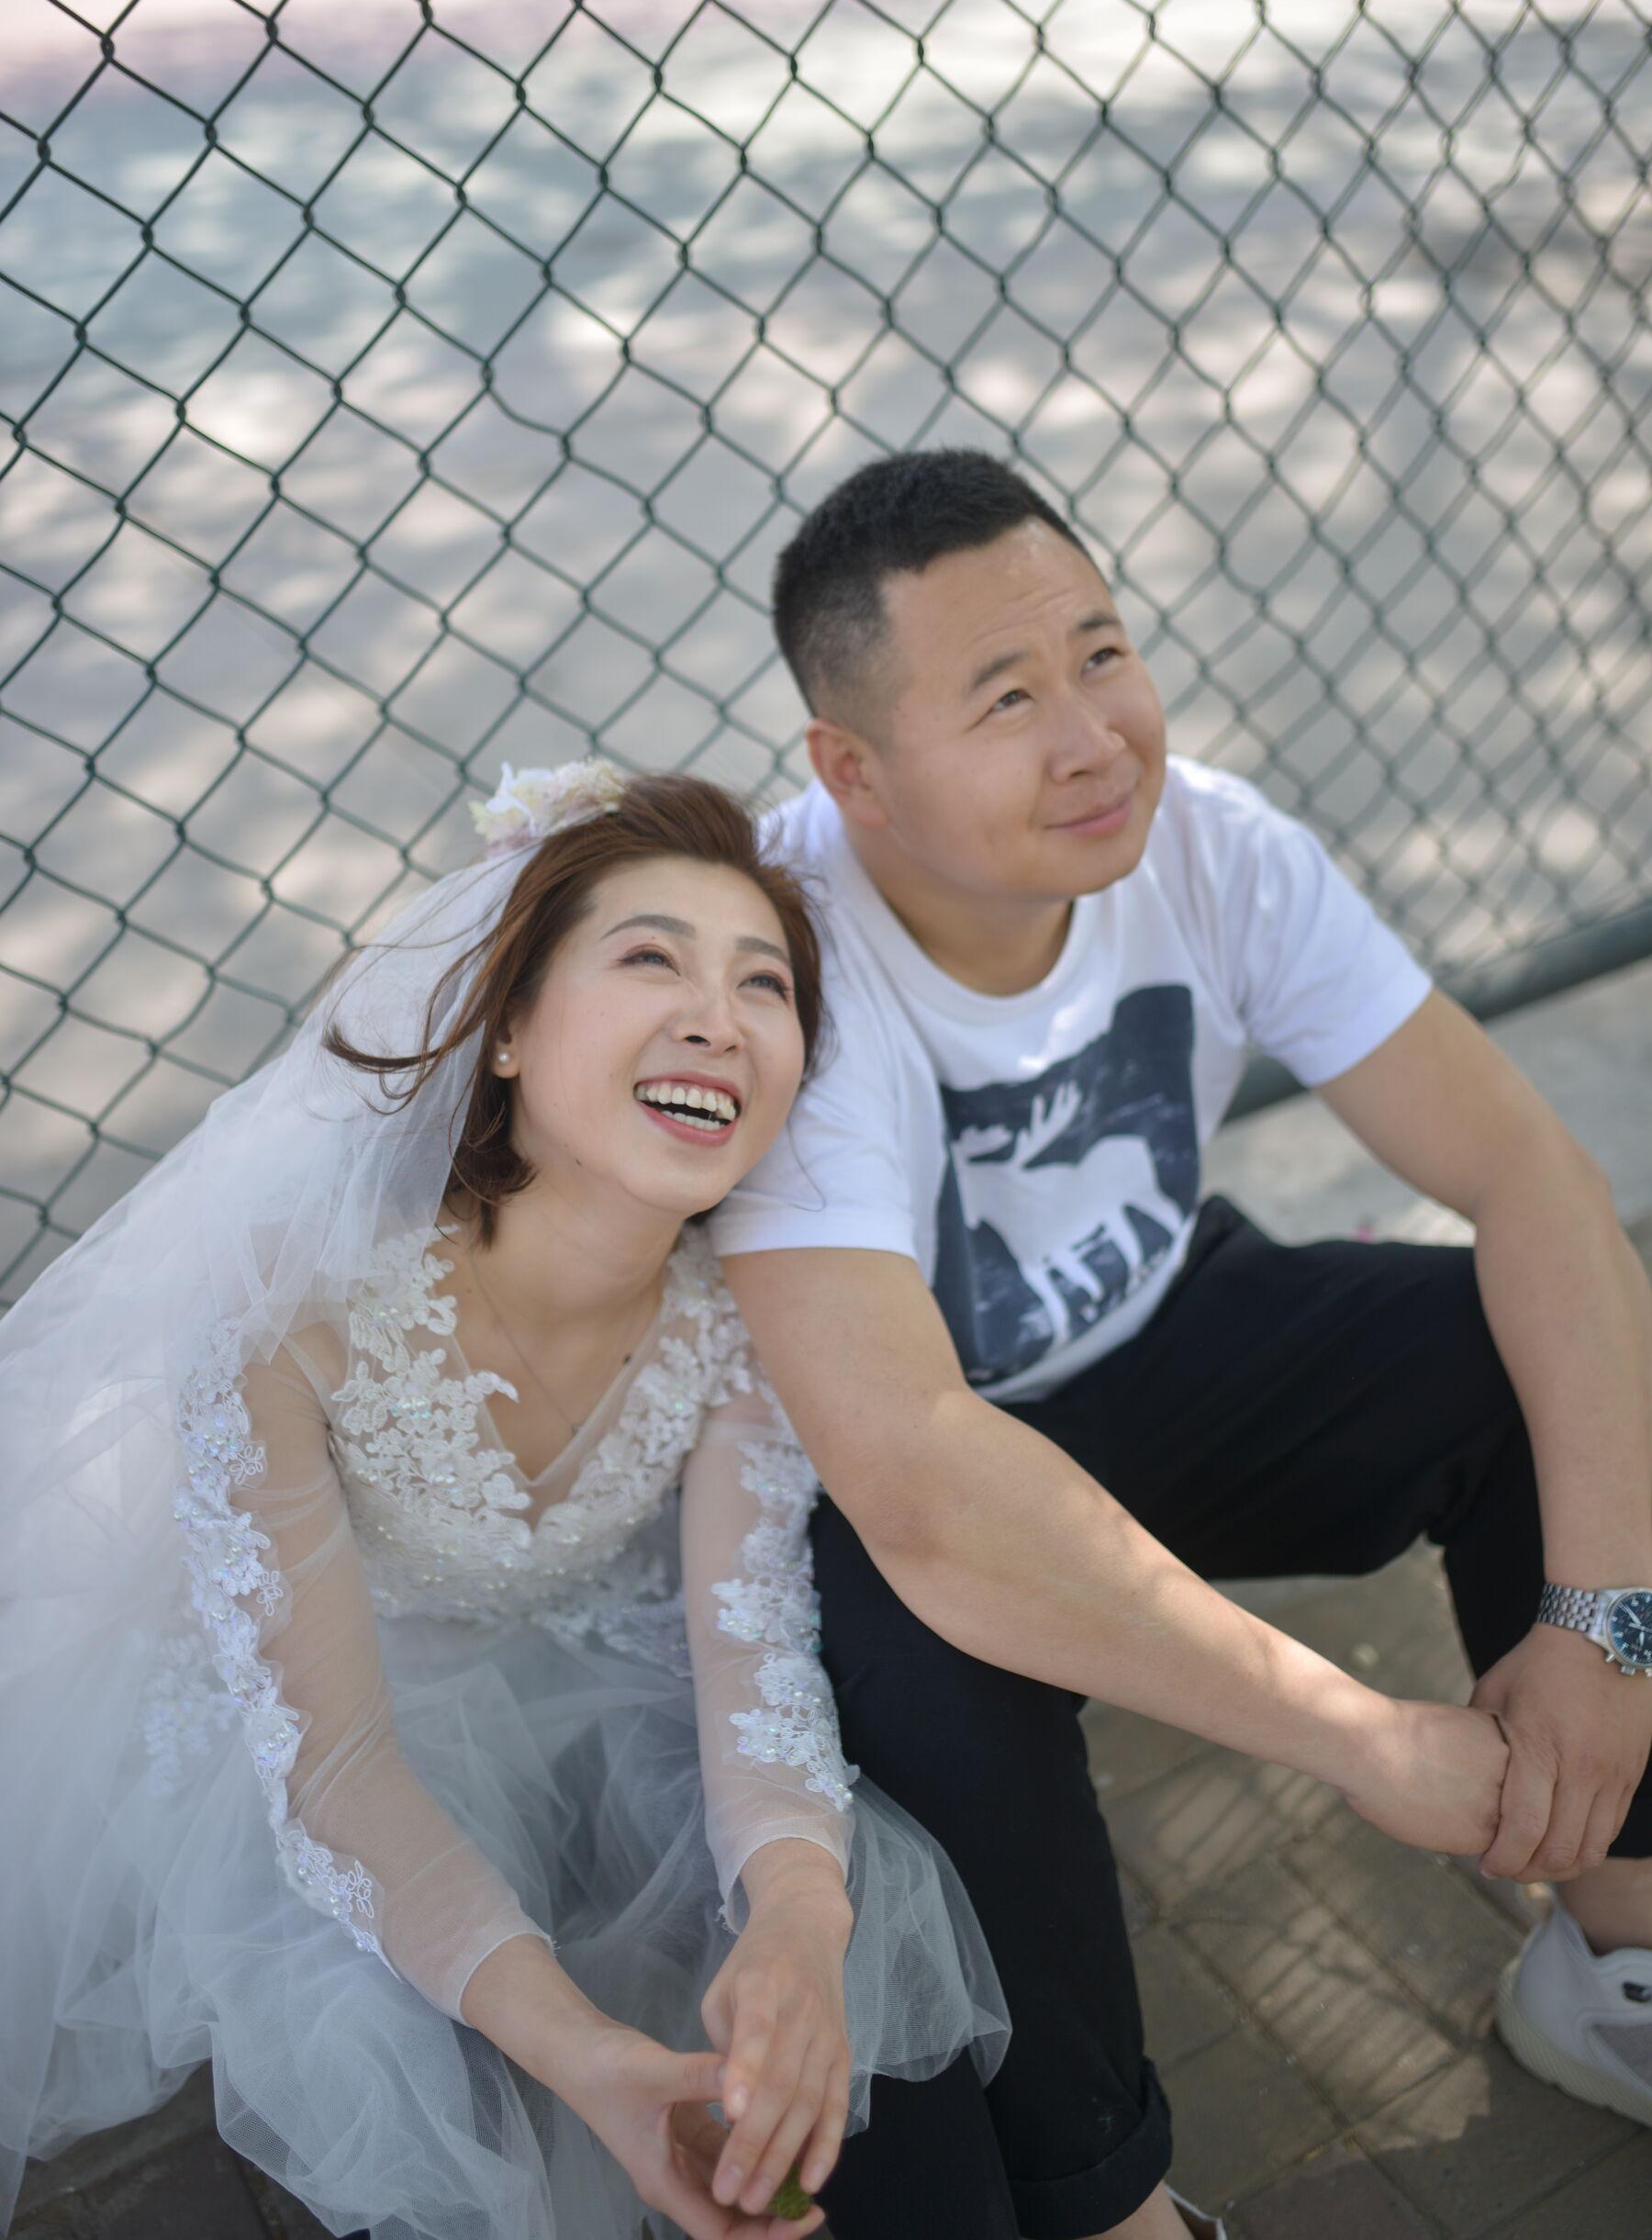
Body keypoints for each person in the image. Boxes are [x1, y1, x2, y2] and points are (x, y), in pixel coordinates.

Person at [713, 449, 1652, 2240]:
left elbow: (1536, 1180)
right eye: (1006, 699)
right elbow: (917, 1481)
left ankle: (1622, 1948)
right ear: (855, 772)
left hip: (1154, 1335)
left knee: (1533, 1352)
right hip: (889, 1464)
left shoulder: (1213, 844)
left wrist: (1611, 1623)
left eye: (1102, 653)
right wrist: (1358, 1738)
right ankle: (1110, 2202)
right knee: (924, 1674)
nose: (1094, 739)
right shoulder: (780, 963)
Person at [0, 762, 1006, 2240]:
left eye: (766, 985)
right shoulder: (293, 1313)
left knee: (819, 1927)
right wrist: (582, 2055)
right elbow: (336, 1766)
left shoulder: (749, 1320)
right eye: (651, 958)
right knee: (413, 2035)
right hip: (336, 1700)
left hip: (601, 1667)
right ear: (514, 1028)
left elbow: (752, 1651)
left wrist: (801, 1915)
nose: (718, 1019)